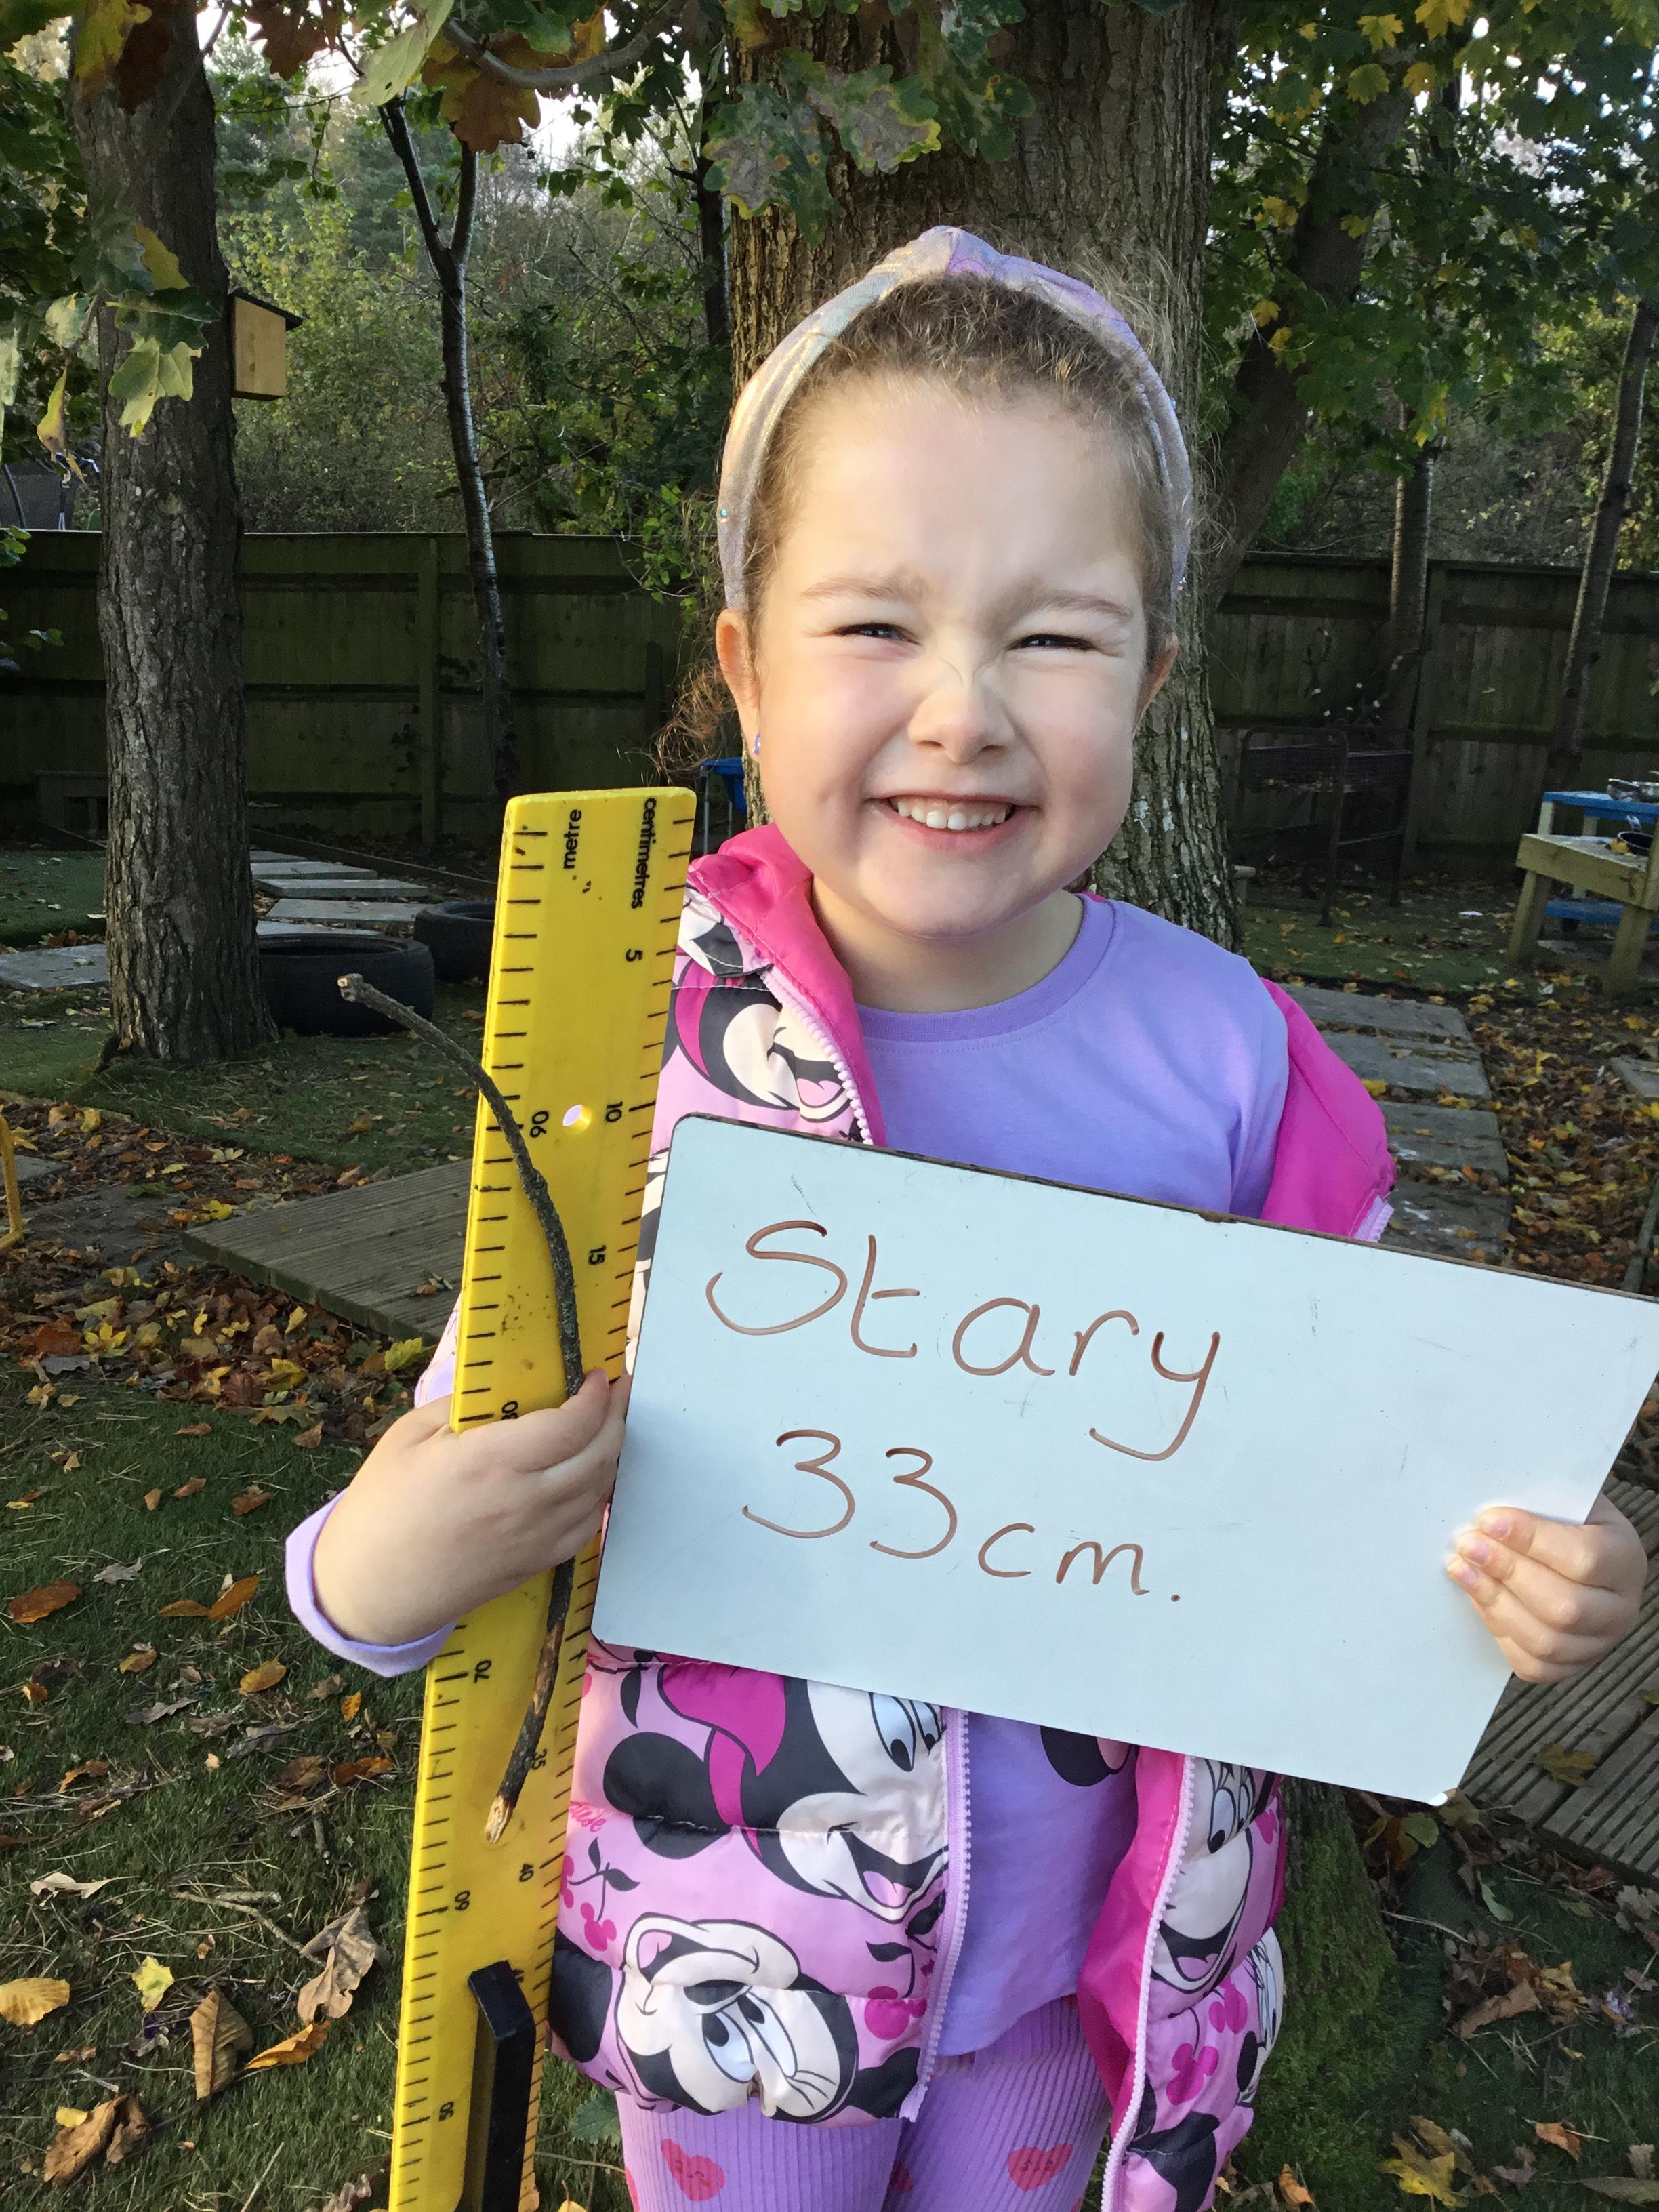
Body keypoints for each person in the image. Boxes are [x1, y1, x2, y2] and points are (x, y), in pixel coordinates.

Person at [287, 230, 1647, 2212]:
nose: (961, 712)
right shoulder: (624, 1042)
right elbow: (446, 1464)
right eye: (874, 624)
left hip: (1078, 2004)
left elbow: (1362, 1478)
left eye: (1056, 638)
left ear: (1155, 679)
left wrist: (1534, 1570)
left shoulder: (1235, 1065)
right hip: (742, 1988)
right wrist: (384, 1564)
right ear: (745, 666)